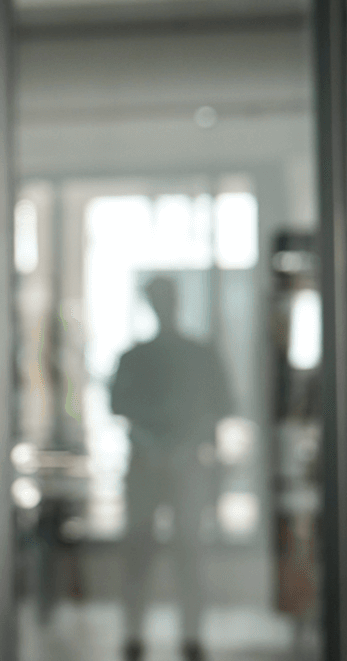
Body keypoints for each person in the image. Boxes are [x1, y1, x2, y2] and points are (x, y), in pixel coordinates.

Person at [111, 277, 233, 661]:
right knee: (139, 557)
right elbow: (119, 406)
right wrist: (159, 444)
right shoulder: (135, 356)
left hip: (185, 468)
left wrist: (182, 446)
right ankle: (134, 637)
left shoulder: (199, 355)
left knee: (189, 556)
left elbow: (221, 405)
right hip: (149, 467)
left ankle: (191, 638)